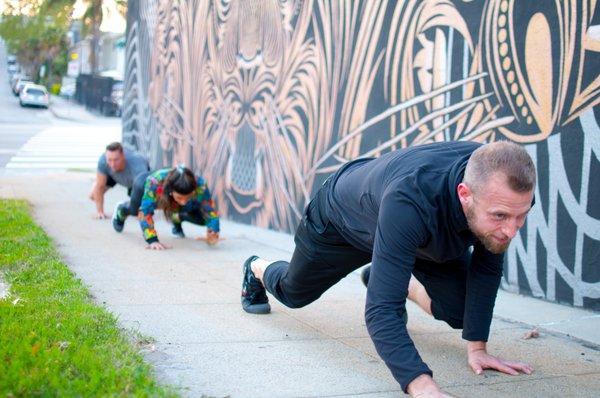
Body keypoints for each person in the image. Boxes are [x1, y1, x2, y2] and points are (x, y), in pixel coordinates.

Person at [240, 141, 536, 397]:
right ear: (464, 194)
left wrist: (478, 348)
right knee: (294, 293)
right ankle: (255, 268)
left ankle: (391, 277)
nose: (511, 230)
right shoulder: (411, 199)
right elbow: (381, 311)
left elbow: (487, 266)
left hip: (414, 236)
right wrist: (421, 385)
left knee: (462, 310)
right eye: (500, 216)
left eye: (521, 215)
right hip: (342, 223)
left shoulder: (500, 186)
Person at [112, 165, 220, 249]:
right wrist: (152, 240)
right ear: (171, 190)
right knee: (134, 211)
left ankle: (176, 220)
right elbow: (145, 213)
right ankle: (122, 210)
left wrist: (213, 229)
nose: (183, 202)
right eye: (180, 197)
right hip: (143, 185)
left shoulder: (200, 185)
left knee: (198, 212)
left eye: (187, 197)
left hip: (169, 197)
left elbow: (208, 209)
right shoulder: (154, 182)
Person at [89, 142, 150, 219]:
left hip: (135, 181)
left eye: (116, 160)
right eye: (109, 160)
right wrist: (100, 212)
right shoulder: (103, 161)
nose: (112, 164)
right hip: (114, 175)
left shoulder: (137, 164)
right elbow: (100, 187)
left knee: (136, 210)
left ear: (123, 155)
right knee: (93, 195)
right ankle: (96, 182)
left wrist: (144, 210)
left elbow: (145, 189)